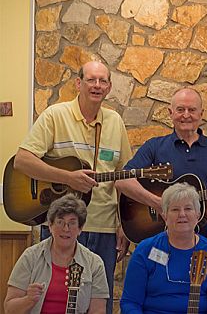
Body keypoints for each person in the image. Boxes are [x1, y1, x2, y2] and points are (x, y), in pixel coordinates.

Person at [13, 61, 133, 313]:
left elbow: (122, 179)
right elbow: (23, 160)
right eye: (91, 79)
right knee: (53, 297)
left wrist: (124, 223)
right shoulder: (55, 116)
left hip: (103, 227)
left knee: (101, 302)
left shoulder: (115, 122)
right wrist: (67, 178)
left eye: (102, 81)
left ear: (109, 87)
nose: (97, 86)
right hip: (61, 226)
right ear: (78, 83)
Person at [115, 87, 207, 249]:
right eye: (180, 110)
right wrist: (159, 203)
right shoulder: (155, 147)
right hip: (163, 244)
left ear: (201, 113)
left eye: (192, 110)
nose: (186, 115)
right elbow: (122, 180)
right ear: (170, 113)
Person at [120, 182, 207, 313]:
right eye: (175, 209)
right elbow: (130, 302)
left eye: (188, 209)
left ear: (198, 215)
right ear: (165, 215)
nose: (182, 214)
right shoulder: (145, 250)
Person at [4, 194, 109, 314]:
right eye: (60, 222)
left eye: (72, 223)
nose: (66, 229)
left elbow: (98, 310)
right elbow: (9, 309)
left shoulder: (94, 264)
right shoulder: (30, 256)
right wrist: (28, 300)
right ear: (50, 226)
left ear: (80, 229)